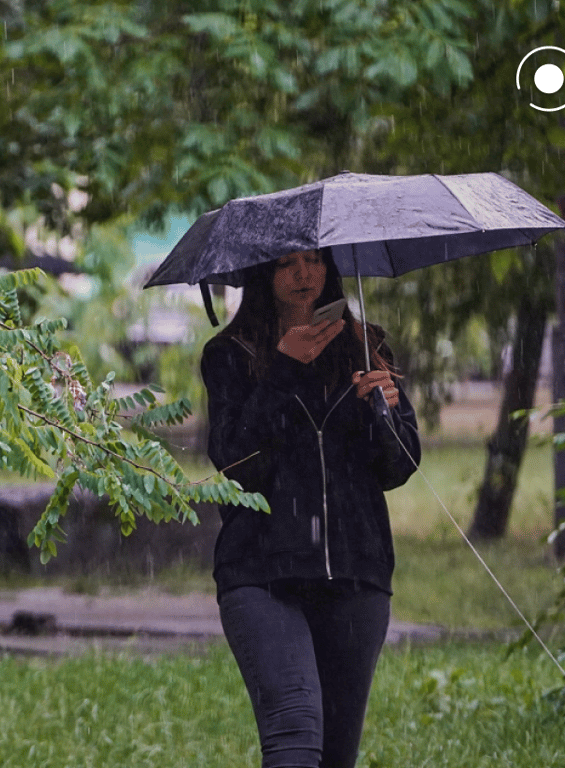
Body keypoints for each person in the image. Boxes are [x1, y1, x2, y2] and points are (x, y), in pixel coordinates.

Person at [200, 248, 421, 768]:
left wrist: (383, 407)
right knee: (295, 741)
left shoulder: (367, 346)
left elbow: (399, 467)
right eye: (286, 264)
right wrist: (282, 369)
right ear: (263, 274)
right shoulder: (229, 354)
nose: (304, 275)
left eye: (314, 260)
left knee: (337, 756)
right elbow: (239, 465)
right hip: (262, 572)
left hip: (355, 573)